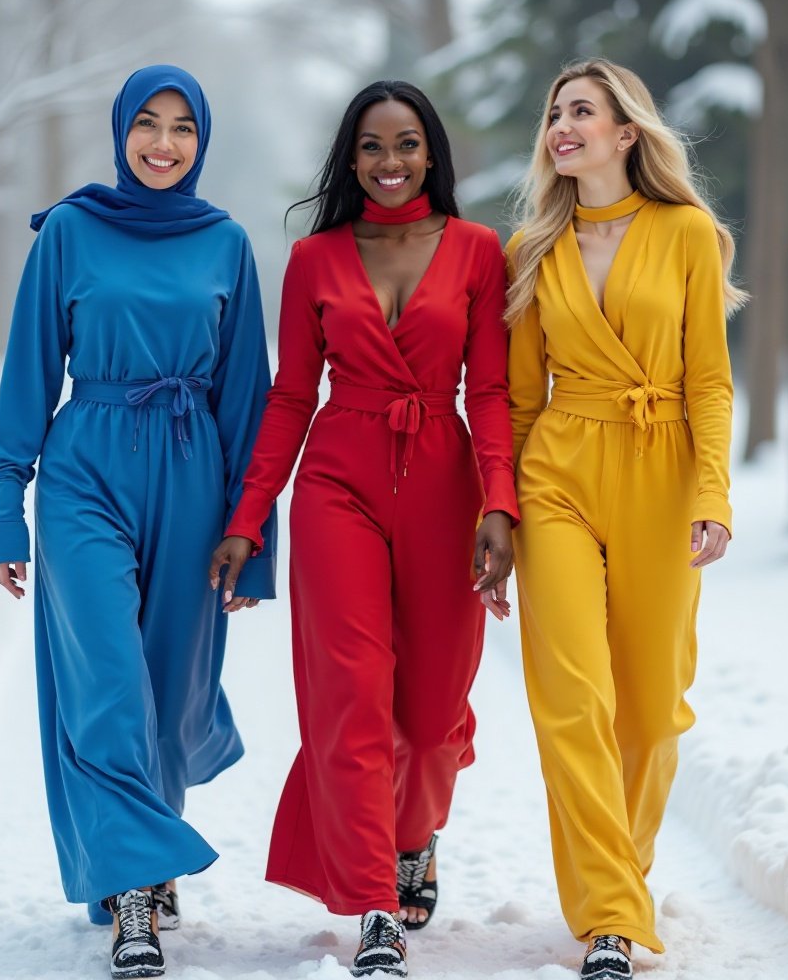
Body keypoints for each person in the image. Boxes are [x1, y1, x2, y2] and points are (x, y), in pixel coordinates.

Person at [208, 80, 518, 977]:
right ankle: (375, 902)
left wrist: (499, 503)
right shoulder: (314, 258)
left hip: (445, 485)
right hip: (338, 482)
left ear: (431, 154)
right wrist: (249, 516)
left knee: (430, 716)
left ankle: (416, 835)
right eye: (373, 146)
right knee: (350, 700)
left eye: (407, 144)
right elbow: (290, 396)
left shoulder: (477, 249)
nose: (390, 162)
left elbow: (491, 391)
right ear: (351, 157)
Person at [0, 65, 276, 980]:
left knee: (172, 690)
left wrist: (255, 535)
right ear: (121, 133)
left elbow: (247, 398)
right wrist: (4, 504)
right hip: (86, 471)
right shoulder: (70, 231)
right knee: (107, 681)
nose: (163, 142)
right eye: (147, 123)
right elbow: (30, 370)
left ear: (202, 142)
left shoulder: (225, 242)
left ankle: (148, 845)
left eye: (182, 127)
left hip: (193, 474)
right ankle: (134, 892)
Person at [504, 58, 744, 980]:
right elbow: (521, 402)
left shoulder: (685, 233)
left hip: (663, 468)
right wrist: (500, 511)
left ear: (626, 133)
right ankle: (611, 917)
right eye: (554, 112)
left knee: (648, 710)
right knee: (574, 701)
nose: (562, 126)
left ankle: (620, 879)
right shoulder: (532, 247)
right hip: (558, 472)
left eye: (582, 111)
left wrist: (714, 492)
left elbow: (710, 381)